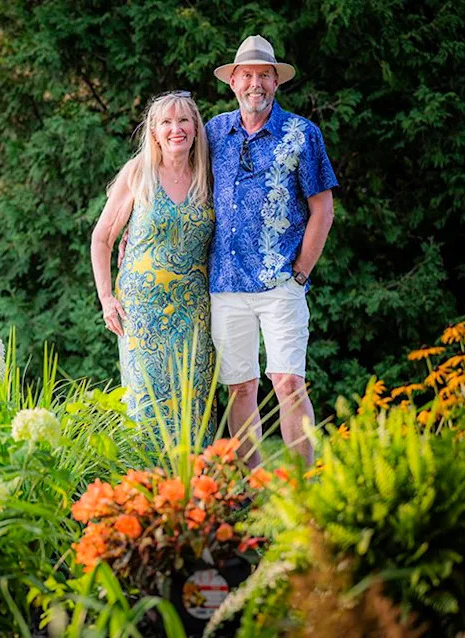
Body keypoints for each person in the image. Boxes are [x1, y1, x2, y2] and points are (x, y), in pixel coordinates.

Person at [206, 35, 338, 467]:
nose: (255, 84)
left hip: (281, 283)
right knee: (240, 389)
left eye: (265, 75)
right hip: (225, 285)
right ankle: (252, 492)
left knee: (288, 383)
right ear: (233, 82)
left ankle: (308, 489)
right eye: (247, 75)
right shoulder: (212, 133)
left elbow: (323, 209)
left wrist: (301, 271)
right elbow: (167, 173)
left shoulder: (303, 134)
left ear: (276, 82)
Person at [91, 92, 216, 427]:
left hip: (194, 312)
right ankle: (146, 480)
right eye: (166, 122)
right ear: (155, 132)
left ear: (195, 128)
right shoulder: (138, 173)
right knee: (146, 402)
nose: (176, 128)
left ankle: (193, 479)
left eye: (184, 120)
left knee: (193, 401)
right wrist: (106, 299)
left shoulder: (208, 176)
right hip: (142, 311)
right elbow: (102, 238)